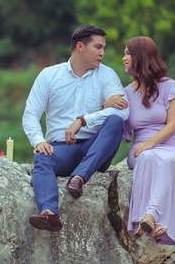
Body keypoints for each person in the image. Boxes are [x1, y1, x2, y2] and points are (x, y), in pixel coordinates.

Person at [23, 24, 129, 232]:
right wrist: (39, 141)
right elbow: (30, 114)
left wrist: (83, 120)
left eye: (103, 48)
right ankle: (49, 213)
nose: (102, 53)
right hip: (62, 150)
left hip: (95, 148)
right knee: (42, 157)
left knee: (115, 122)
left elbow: (122, 112)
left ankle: (79, 178)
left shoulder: (107, 76)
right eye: (98, 47)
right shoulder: (49, 76)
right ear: (80, 46)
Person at [104, 36, 175, 245]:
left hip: (173, 146)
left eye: (128, 53)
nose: (124, 58)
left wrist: (152, 142)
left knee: (164, 160)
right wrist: (106, 103)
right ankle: (153, 220)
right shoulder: (125, 94)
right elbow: (108, 124)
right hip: (141, 149)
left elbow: (172, 124)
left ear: (141, 57)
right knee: (148, 157)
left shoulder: (169, 86)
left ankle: (149, 217)